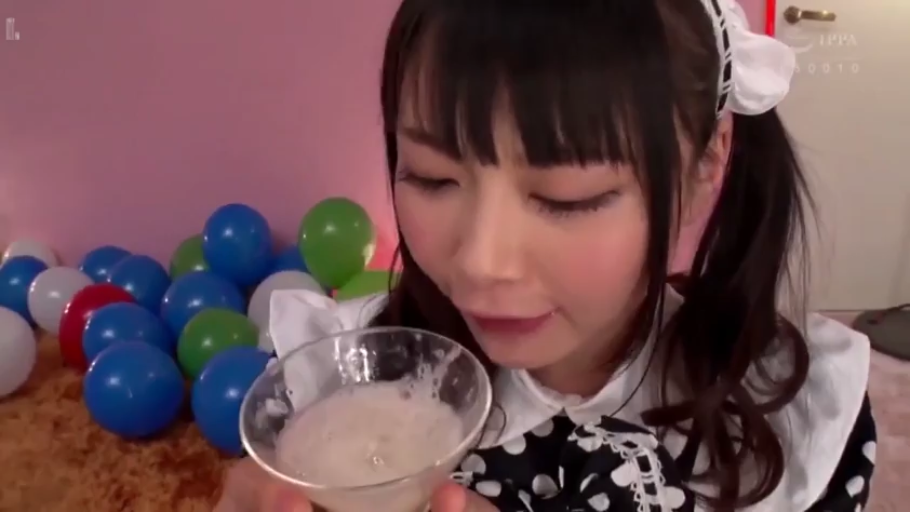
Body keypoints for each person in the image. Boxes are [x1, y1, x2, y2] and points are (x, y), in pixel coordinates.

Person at [215, 0, 877, 510]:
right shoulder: (333, 385)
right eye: (432, 177)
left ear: (707, 161)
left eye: (567, 197)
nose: (481, 262)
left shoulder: (793, 422)